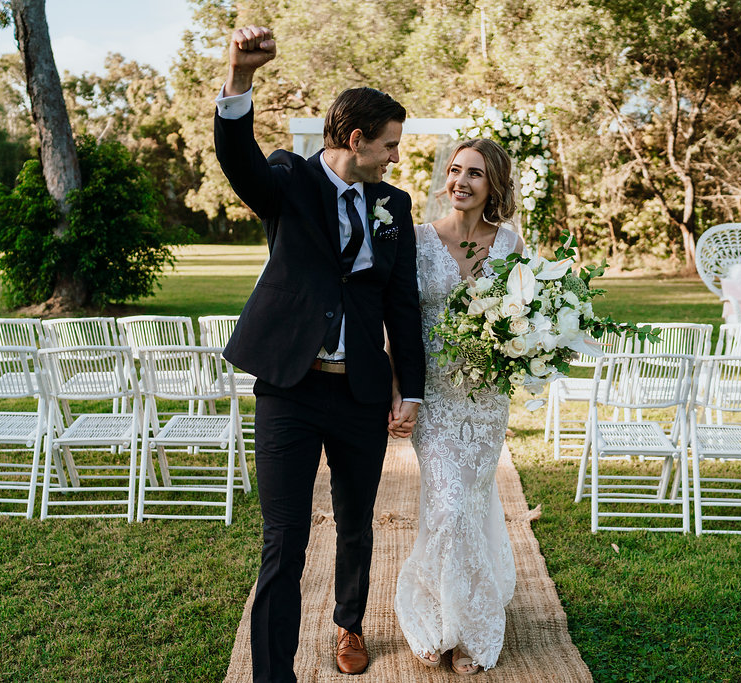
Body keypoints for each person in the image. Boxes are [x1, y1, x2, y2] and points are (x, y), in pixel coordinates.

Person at [214, 26, 426, 683]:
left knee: (356, 524)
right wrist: (240, 81)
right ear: (357, 140)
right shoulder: (288, 180)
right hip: (290, 390)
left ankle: (349, 624)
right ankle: (273, 673)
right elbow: (236, 157)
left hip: (360, 391)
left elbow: (402, 304)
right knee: (284, 540)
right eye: (389, 145)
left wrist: (409, 388)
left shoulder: (395, 205)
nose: (395, 157)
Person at [392, 139, 523, 675]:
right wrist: (402, 391)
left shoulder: (510, 244)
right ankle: (436, 619)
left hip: (486, 399)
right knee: (446, 506)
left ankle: (467, 628)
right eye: (454, 171)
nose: (460, 182)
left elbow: (523, 315)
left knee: (466, 505)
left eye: (475, 174)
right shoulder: (419, 240)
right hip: (437, 398)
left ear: (493, 185)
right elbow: (396, 323)